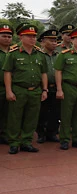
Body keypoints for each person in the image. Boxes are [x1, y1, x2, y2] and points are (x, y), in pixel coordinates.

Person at [3, 23, 48, 154]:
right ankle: (14, 143)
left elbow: (44, 73)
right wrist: (9, 91)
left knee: (31, 118)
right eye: (29, 36)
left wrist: (44, 90)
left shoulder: (40, 54)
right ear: (21, 37)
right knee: (15, 117)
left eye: (34, 36)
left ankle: (26, 142)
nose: (32, 39)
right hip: (19, 89)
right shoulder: (13, 53)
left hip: (35, 90)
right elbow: (7, 73)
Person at [36, 28, 61, 143]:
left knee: (55, 112)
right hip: (42, 88)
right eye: (50, 40)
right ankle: (41, 134)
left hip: (56, 87)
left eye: (55, 40)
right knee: (42, 112)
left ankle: (52, 133)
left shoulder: (59, 55)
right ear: (43, 41)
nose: (54, 43)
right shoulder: (38, 55)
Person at [0, 22, 13, 144]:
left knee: (8, 113)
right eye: (4, 36)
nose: (7, 38)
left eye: (9, 36)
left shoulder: (14, 52)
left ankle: (4, 134)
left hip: (10, 87)